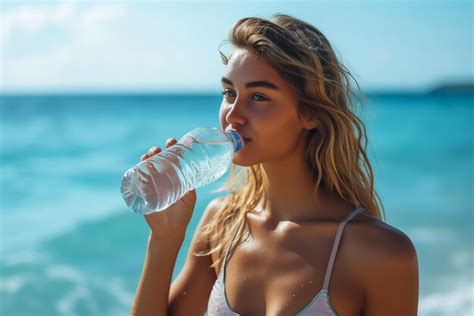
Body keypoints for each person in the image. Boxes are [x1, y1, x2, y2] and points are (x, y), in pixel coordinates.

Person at [130, 14, 419, 316]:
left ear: (310, 114)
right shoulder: (224, 223)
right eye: (229, 93)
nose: (233, 114)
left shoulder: (381, 253)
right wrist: (164, 240)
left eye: (258, 96)